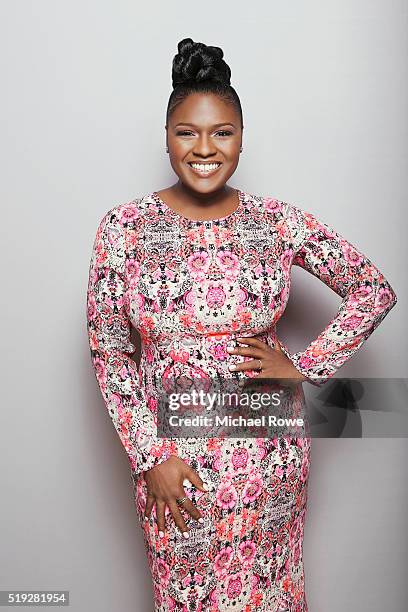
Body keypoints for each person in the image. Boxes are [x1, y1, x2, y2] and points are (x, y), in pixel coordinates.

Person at [86, 37, 397, 612]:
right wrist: (150, 456)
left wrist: (303, 367)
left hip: (269, 457)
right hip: (175, 461)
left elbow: (372, 289)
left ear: (241, 140)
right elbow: (110, 353)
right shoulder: (123, 228)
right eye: (187, 132)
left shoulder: (275, 221)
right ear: (168, 139)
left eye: (221, 133)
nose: (204, 148)